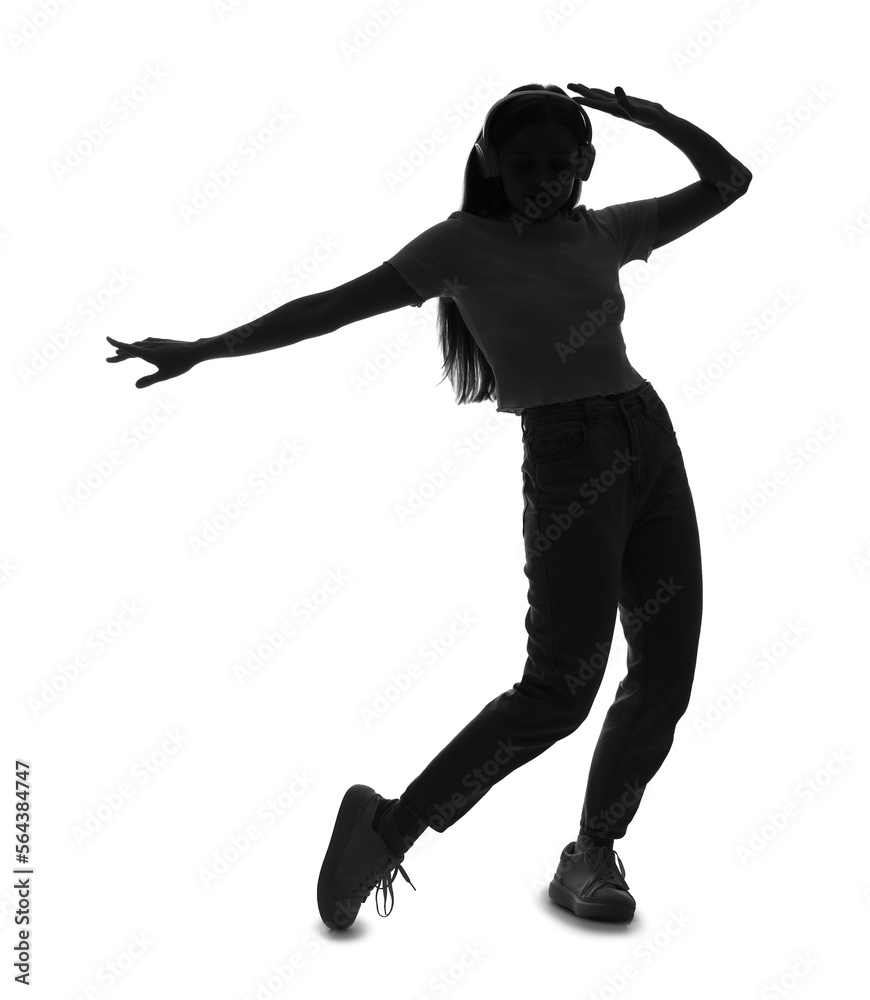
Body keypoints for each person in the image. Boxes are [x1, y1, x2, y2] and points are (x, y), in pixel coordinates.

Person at [106, 82, 753, 931]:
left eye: (561, 164)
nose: (543, 180)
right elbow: (329, 310)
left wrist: (653, 119)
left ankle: (591, 851)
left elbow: (728, 182)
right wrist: (205, 348)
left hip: (649, 441)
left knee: (665, 674)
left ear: (587, 164)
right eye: (522, 165)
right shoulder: (459, 246)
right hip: (569, 458)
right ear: (488, 163)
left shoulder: (609, 230)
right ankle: (391, 826)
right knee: (559, 690)